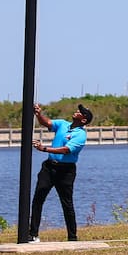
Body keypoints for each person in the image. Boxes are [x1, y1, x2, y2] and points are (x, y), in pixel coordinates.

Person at [29, 101, 93, 242]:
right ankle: (33, 234)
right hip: (49, 167)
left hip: (66, 171)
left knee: (67, 203)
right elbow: (48, 123)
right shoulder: (63, 124)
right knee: (38, 199)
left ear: (83, 120)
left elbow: (66, 150)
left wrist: (44, 149)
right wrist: (39, 114)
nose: (76, 111)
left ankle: (72, 237)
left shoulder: (80, 135)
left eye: (80, 112)